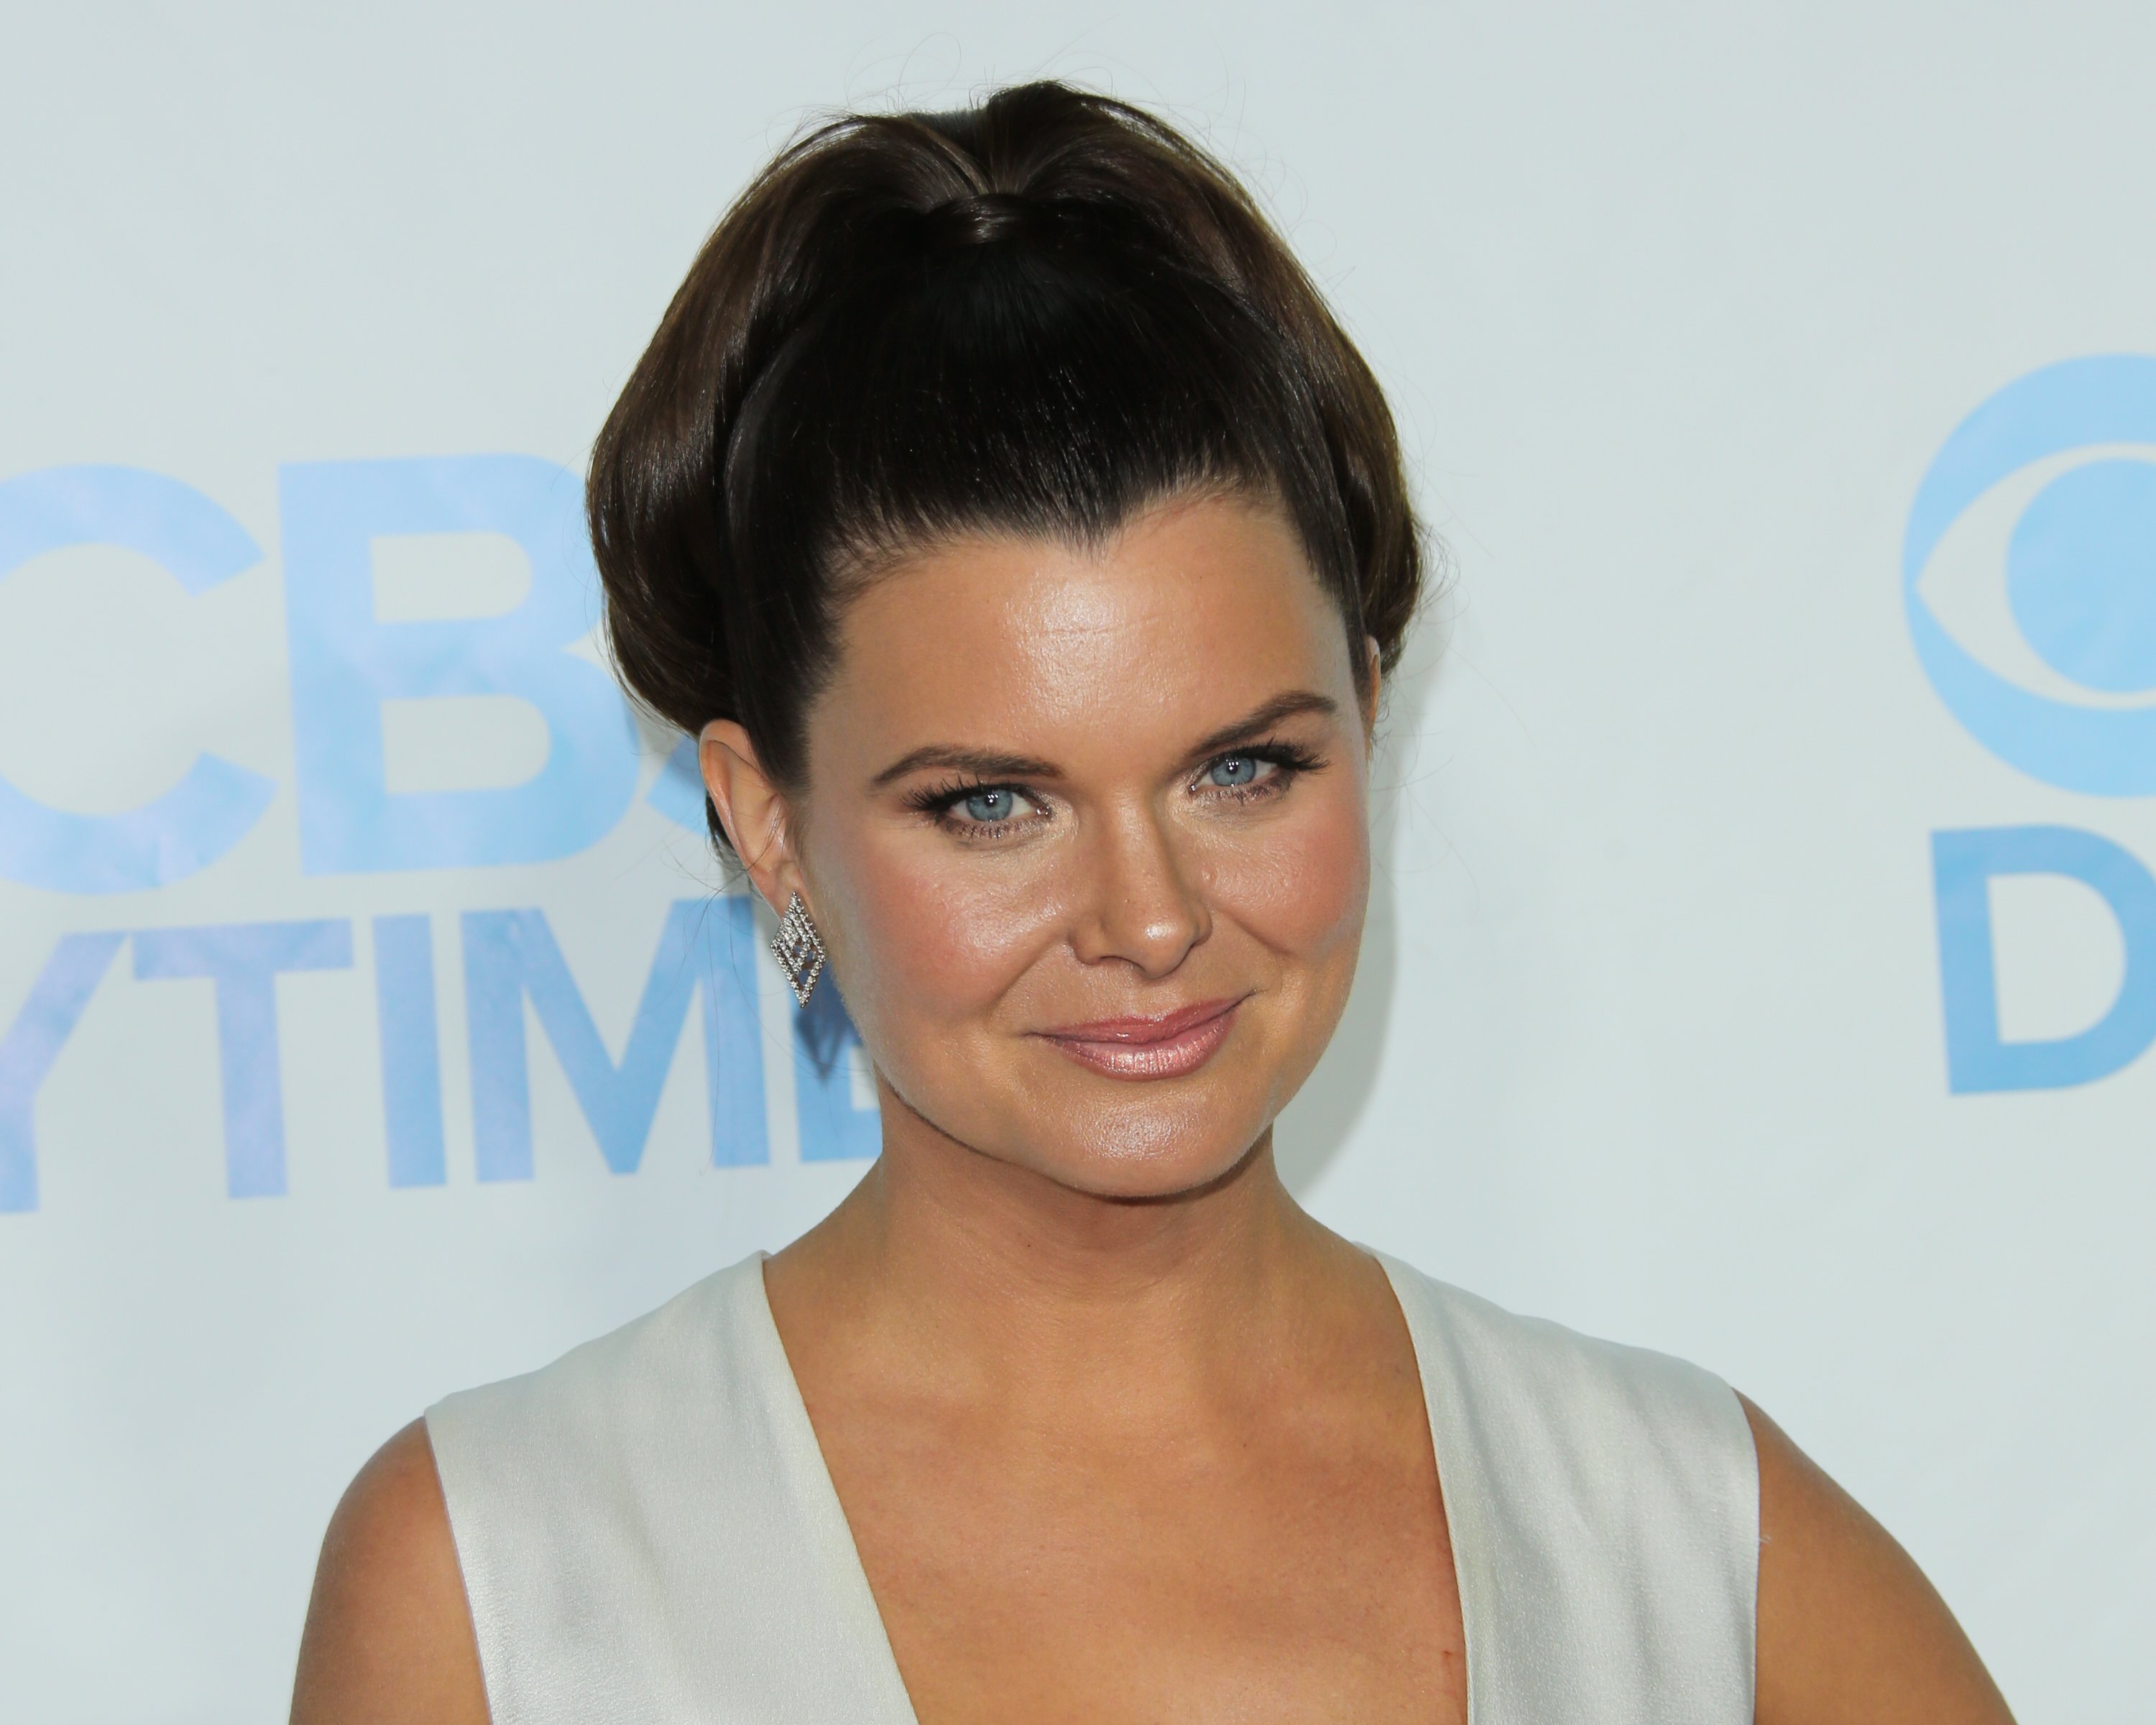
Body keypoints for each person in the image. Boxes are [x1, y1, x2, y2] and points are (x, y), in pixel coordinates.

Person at [290, 80, 2014, 1724]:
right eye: (993, 804)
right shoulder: (502, 1587)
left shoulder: (1696, 1550)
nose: (1152, 917)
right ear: (770, 827)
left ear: (1367, 714)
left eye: (1242, 769)